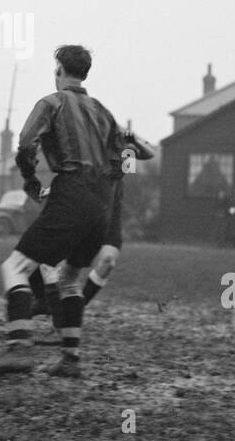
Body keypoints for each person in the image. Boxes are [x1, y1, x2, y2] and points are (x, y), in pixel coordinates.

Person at [0, 44, 122, 379]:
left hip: (72, 192)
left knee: (14, 267)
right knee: (70, 278)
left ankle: (18, 349)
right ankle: (70, 358)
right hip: (103, 203)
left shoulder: (52, 102)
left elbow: (26, 144)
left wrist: (30, 179)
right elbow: (118, 161)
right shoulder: (103, 111)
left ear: (58, 69)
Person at [28, 126, 157, 343]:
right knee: (53, 265)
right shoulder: (83, 154)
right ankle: (57, 318)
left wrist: (134, 138)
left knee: (107, 261)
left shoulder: (120, 153)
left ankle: (70, 313)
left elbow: (148, 153)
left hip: (110, 217)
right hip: (86, 217)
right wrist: (48, 191)